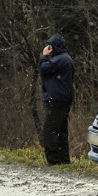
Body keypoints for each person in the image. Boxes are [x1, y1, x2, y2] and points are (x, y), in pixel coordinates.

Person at [38, 33, 74, 165]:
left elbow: (43, 69)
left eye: (50, 46)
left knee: (50, 130)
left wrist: (44, 56)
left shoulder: (60, 60)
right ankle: (64, 160)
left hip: (56, 99)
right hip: (62, 98)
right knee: (61, 130)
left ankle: (53, 160)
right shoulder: (66, 59)